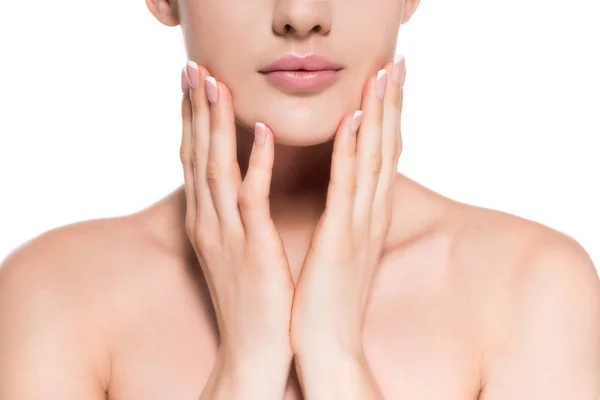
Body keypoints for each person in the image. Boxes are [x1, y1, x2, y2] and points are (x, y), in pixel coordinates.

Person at [1, 0, 599, 398]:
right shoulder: (51, 296)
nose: (301, 14)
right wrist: (247, 367)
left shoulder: (535, 288)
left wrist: (336, 359)